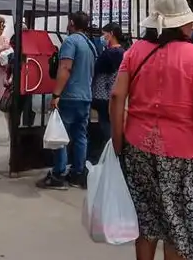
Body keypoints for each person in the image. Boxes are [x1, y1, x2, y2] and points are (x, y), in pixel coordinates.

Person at [111, 0, 193, 260]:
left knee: (147, 219)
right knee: (179, 225)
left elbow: (116, 96)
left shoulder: (135, 50)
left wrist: (118, 140)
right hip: (185, 152)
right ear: (182, 25)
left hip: (138, 145)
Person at [37, 10, 96, 190]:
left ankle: (58, 173)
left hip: (70, 95)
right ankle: (78, 173)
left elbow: (65, 68)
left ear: (71, 23)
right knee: (80, 136)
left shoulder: (71, 41)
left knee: (60, 136)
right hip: (85, 96)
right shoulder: (90, 44)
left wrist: (56, 95)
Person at [90, 22, 128, 148]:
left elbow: (95, 71)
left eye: (104, 34)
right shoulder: (124, 52)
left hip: (103, 95)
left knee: (105, 125)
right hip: (119, 93)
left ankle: (110, 150)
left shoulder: (107, 54)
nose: (102, 37)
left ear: (111, 34)